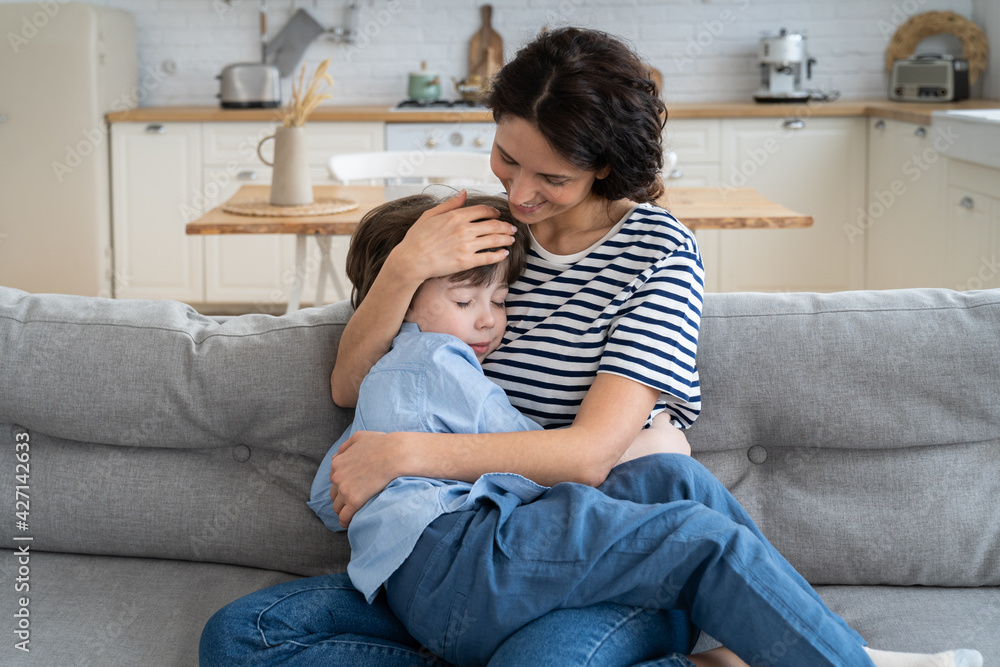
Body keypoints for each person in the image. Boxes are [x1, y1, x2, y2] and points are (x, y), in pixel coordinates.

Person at [200, 27, 982, 667]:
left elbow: (588, 455)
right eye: (507, 157)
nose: (520, 192)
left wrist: (406, 452)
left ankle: (793, 647)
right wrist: (404, 267)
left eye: (553, 177)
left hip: (583, 537)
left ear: (604, 169)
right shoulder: (487, 233)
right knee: (236, 637)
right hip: (469, 545)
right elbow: (350, 383)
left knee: (611, 570)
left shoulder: (657, 256)